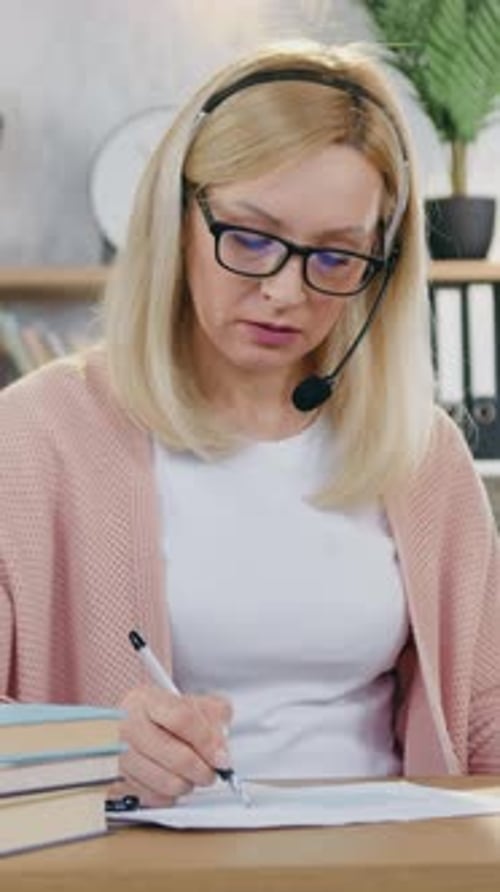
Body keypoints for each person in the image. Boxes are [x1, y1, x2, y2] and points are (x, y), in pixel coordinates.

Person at [0, 40, 499, 808]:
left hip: (394, 868)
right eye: (252, 239)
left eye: (336, 257)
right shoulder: (37, 438)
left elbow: (484, 720)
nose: (284, 292)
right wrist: (81, 749)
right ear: (178, 218)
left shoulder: (421, 454)